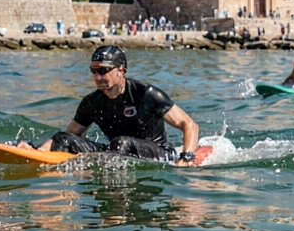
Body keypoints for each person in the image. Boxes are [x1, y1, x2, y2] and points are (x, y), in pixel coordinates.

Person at [22, 46, 200, 164]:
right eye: (94, 71)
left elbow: (189, 125)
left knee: (120, 143)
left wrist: (187, 157)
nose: (98, 77)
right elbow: (70, 135)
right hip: (113, 152)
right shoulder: (91, 102)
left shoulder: (146, 94)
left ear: (121, 70)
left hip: (159, 154)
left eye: (103, 71)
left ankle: (93, 166)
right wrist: (36, 150)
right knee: (63, 138)